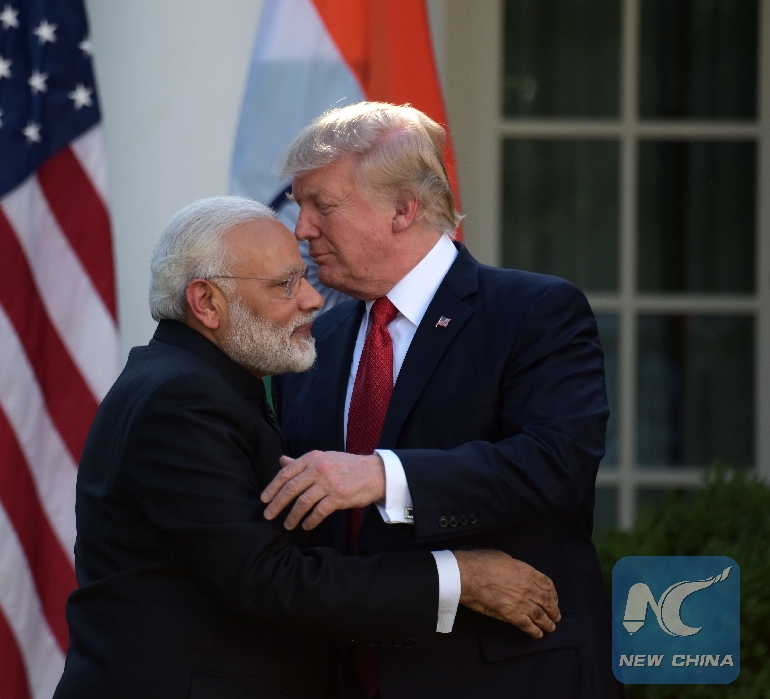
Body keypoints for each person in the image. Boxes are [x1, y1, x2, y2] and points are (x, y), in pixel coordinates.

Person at [52, 196, 561, 699]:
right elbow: (268, 579)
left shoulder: (202, 384)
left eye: (305, 278)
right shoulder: (181, 399)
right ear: (206, 302)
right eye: (285, 285)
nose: (313, 300)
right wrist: (460, 577)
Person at [263, 103, 622, 699]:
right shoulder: (316, 342)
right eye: (299, 207)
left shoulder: (533, 312)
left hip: (506, 678)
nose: (302, 229)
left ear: (404, 209)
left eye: (321, 205)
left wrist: (383, 476)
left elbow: (556, 464)